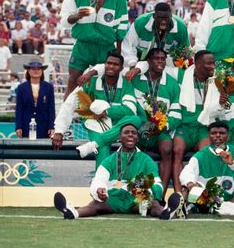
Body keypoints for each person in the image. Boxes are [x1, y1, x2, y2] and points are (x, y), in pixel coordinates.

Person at [75, 48, 181, 199]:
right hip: (139, 129)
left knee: (167, 148)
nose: (160, 62)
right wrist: (92, 72)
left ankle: (159, 196)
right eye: (156, 59)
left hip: (159, 130)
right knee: (132, 133)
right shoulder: (133, 78)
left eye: (163, 59)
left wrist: (163, 126)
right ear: (148, 62)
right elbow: (107, 68)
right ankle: (115, 192)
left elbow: (177, 114)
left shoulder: (172, 84)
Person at [54, 123, 184, 220]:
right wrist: (100, 191)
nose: (130, 135)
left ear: (138, 138)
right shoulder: (109, 160)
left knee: (153, 203)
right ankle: (73, 212)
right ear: (119, 138)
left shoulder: (146, 160)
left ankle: (166, 212)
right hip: (114, 198)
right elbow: (99, 180)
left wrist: (147, 190)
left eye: (133, 133)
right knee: (95, 204)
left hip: (136, 199)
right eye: (126, 132)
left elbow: (157, 184)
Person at [52, 52, 138, 169]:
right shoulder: (90, 82)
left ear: (121, 68)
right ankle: (100, 185)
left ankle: (94, 144)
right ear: (104, 65)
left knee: (136, 119)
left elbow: (130, 109)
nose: (111, 66)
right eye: (109, 63)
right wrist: (59, 131)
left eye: (115, 64)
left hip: (118, 126)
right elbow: (69, 104)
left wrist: (106, 112)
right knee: (103, 149)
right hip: (96, 124)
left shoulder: (127, 84)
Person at [60, 0, 128, 99]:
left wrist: (118, 55)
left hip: (106, 47)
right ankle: (63, 120)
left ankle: (103, 117)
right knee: (72, 81)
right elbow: (64, 20)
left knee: (105, 85)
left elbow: (122, 26)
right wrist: (77, 16)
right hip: (83, 45)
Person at [172, 50, 223, 192]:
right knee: (177, 150)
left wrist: (222, 102)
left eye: (213, 63)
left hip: (204, 127)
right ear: (197, 63)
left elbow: (224, 108)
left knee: (206, 153)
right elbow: (159, 66)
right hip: (185, 127)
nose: (212, 66)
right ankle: (178, 193)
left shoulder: (218, 80)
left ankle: (203, 192)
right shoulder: (182, 75)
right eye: (208, 63)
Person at [121, 2, 190, 69]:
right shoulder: (140, 22)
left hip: (168, 64)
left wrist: (178, 70)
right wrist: (133, 64)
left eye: (166, 18)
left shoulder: (181, 27)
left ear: (171, 16)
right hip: (140, 61)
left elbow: (187, 53)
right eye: (160, 18)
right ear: (154, 16)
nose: (163, 22)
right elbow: (128, 47)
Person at [15, 61, 55, 139]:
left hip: (44, 126)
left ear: (42, 71)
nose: (36, 71)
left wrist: (51, 126)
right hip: (26, 126)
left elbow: (51, 109)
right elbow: (19, 109)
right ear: (28, 71)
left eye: (39, 69)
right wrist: (18, 127)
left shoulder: (49, 87)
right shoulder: (21, 88)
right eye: (33, 69)